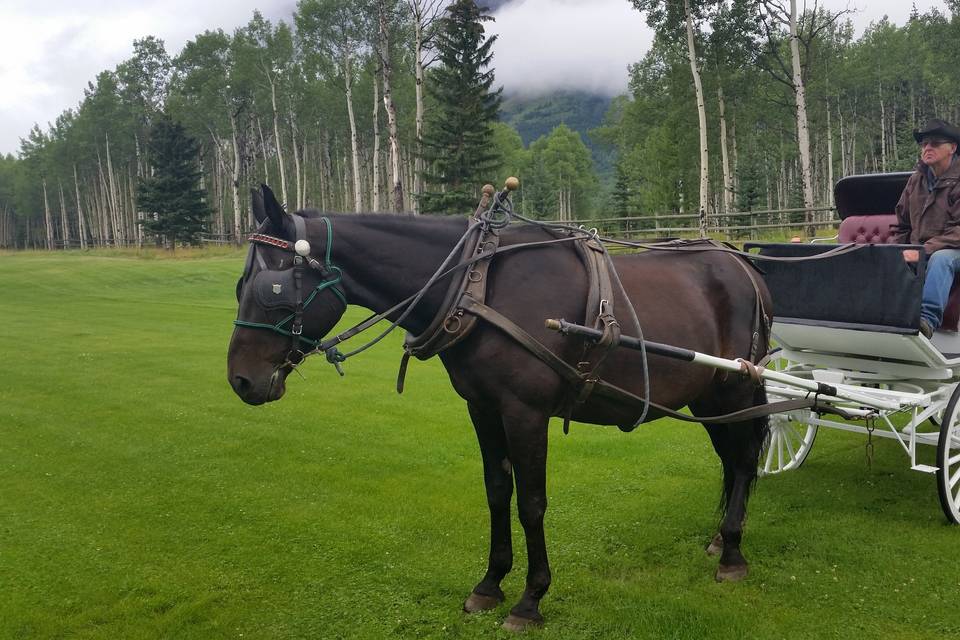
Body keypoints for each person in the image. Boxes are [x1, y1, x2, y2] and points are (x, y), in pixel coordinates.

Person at [892, 118, 960, 338]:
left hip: (952, 250)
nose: (927, 148)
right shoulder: (915, 181)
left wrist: (923, 250)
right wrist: (894, 251)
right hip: (921, 249)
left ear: (952, 148)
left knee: (942, 259)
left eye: (934, 143)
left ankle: (925, 321)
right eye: (923, 144)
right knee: (884, 259)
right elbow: (901, 223)